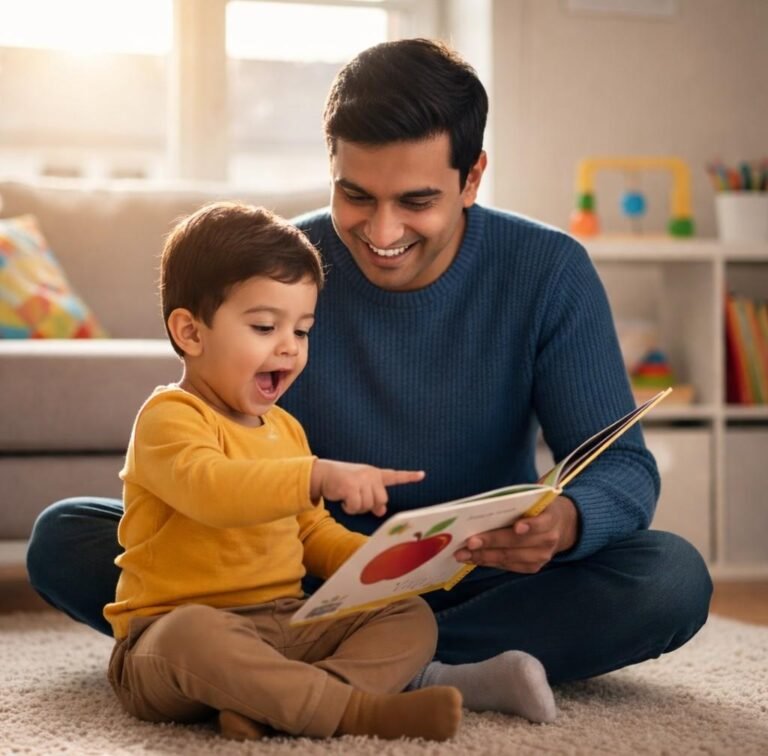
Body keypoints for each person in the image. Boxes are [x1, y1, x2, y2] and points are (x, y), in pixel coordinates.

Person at [27, 38, 712, 701]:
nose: (382, 234)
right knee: (66, 535)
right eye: (356, 197)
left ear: (472, 178)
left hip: (475, 572)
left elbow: (621, 467)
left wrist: (565, 521)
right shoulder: (282, 271)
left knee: (670, 578)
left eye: (416, 202)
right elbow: (206, 430)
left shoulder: (548, 270)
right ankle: (409, 666)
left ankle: (301, 665)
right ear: (331, 167)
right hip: (288, 571)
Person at [102, 200, 469, 741]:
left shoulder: (285, 430)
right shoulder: (169, 419)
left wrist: (395, 558)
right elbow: (213, 492)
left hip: (285, 624)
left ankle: (281, 702)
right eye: (265, 326)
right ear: (191, 332)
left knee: (408, 615)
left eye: (301, 331)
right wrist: (316, 475)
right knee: (193, 634)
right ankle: (354, 714)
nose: (288, 348)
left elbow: (312, 532)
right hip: (168, 640)